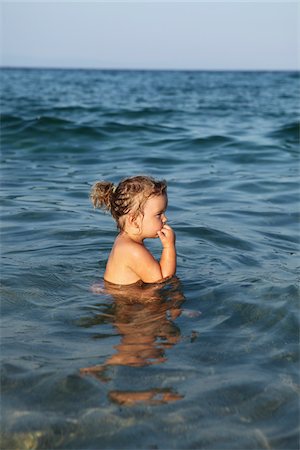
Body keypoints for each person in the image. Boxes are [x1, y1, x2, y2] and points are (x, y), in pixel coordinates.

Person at [90, 175, 176, 285]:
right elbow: (162, 280)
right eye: (159, 214)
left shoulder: (123, 240)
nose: (165, 219)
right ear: (134, 221)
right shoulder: (133, 250)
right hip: (127, 300)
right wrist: (169, 246)